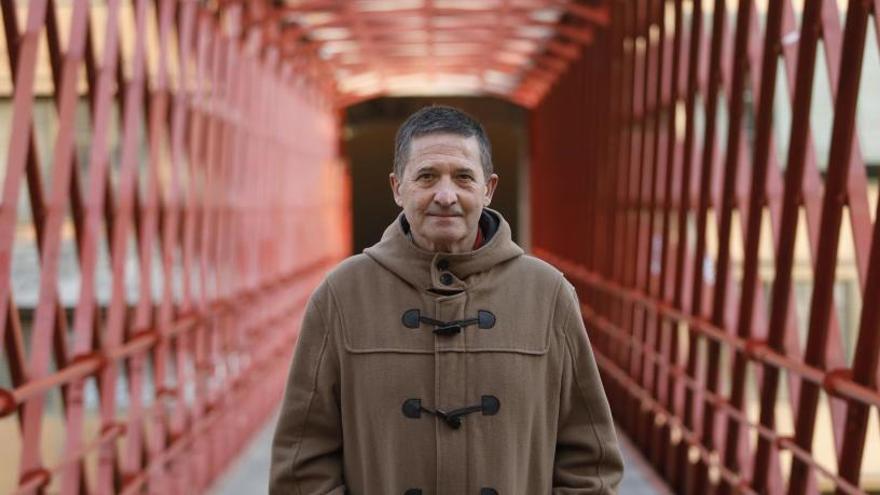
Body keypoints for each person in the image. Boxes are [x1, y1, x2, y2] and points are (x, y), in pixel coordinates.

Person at [269, 105, 623, 494]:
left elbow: (590, 463)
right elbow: (302, 465)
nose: (445, 195)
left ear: (488, 189)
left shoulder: (548, 295)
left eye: (463, 177)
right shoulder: (342, 295)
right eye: (426, 177)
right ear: (397, 188)